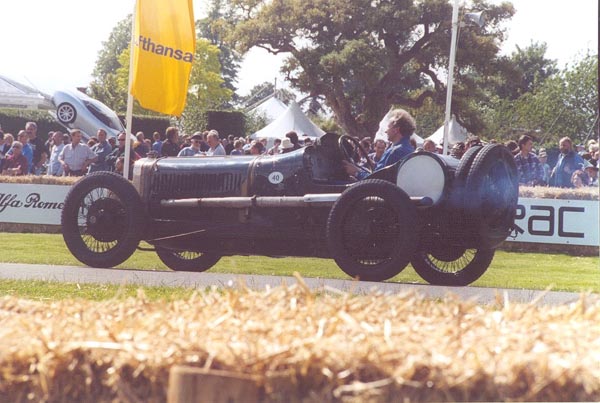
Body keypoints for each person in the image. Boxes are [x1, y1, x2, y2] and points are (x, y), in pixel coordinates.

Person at [344, 108, 416, 180]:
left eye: (388, 128)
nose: (386, 131)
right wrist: (374, 165)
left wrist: (356, 172)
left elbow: (376, 181)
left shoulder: (394, 152)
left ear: (395, 130)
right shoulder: (410, 150)